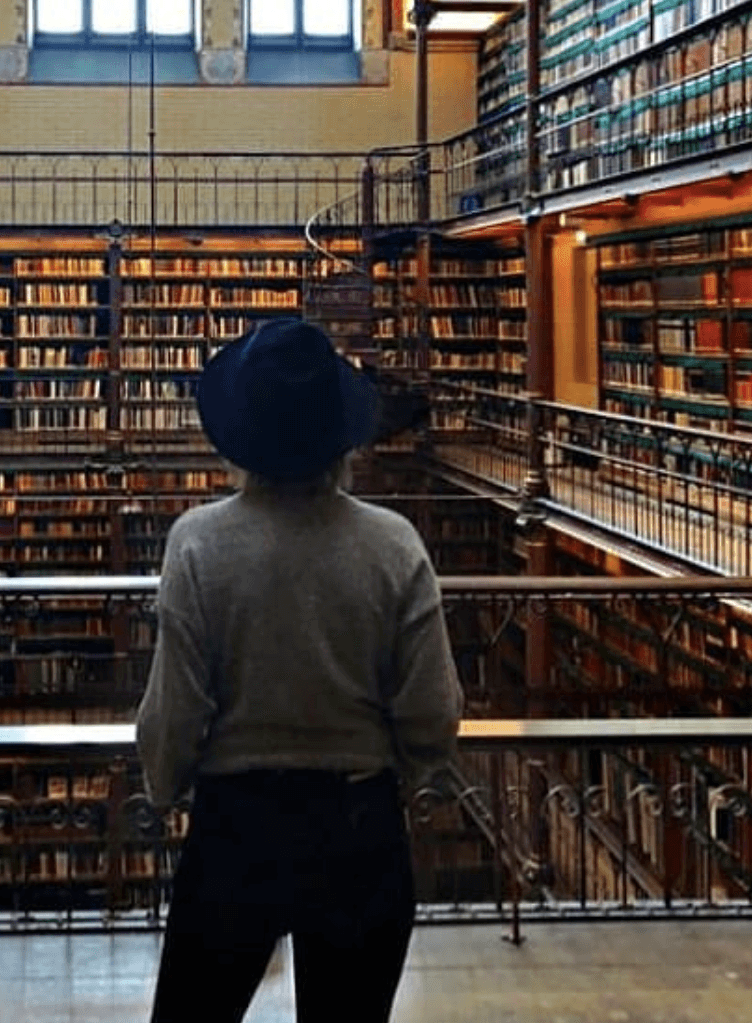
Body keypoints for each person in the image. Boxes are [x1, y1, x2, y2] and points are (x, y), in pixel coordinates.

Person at [136, 317, 462, 1023]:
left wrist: (165, 789)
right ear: (342, 437)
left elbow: (176, 708)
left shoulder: (198, 543)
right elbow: (432, 709)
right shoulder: (393, 544)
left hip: (237, 827)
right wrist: (405, 775)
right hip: (358, 826)